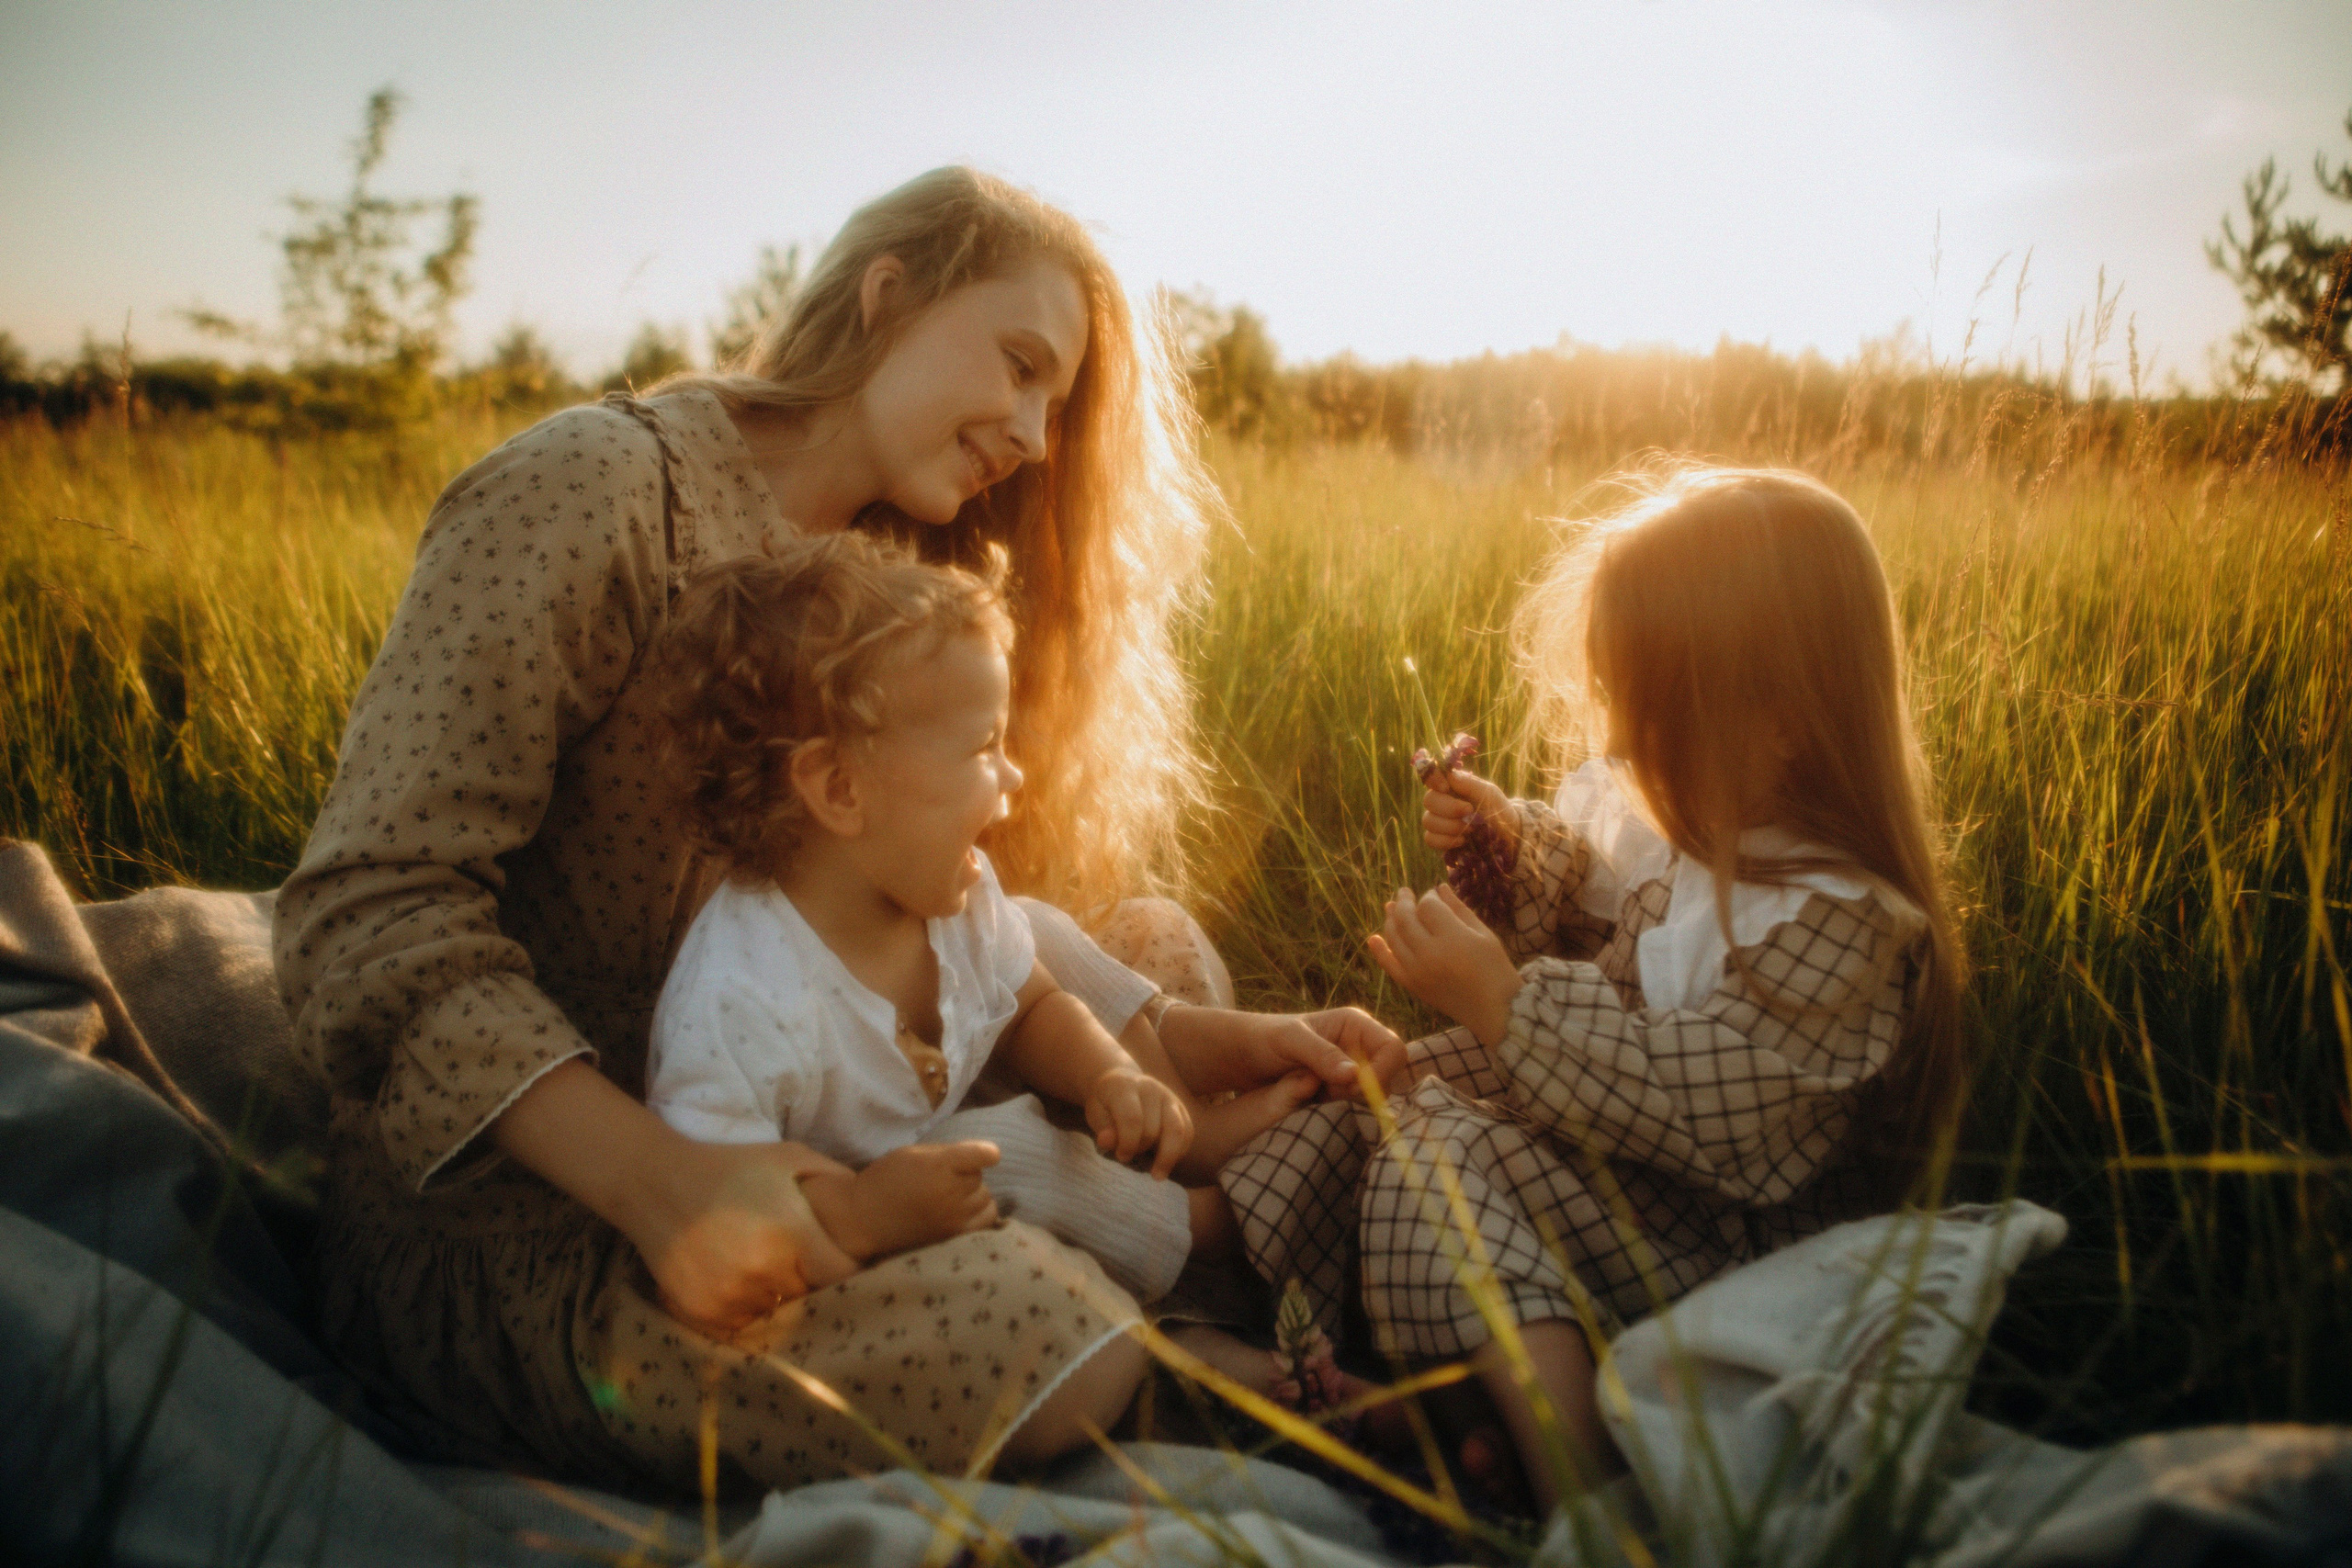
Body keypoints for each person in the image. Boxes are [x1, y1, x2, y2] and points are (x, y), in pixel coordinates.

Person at [275, 165, 1402, 1498]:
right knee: (1016, 1317)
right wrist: (660, 1184)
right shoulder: (594, 495)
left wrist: (1180, 1046)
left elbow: (955, 949)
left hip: (836, 1128)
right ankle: (1196, 1342)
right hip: (568, 1219)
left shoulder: (883, 576)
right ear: (889, 296)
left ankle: (1200, 1273)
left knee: (1146, 942)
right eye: (1021, 362)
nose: (1039, 437)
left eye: (1060, 402)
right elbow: (365, 911)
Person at [1218, 465, 1966, 1512]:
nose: (1611, 742)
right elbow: (1585, 919)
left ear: (1781, 724)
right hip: (1606, 1176)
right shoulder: (1679, 828)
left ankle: (1583, 1484)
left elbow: (1709, 1119)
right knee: (1385, 1087)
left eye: (1646, 711)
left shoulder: (1838, 924)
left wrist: (1506, 1006)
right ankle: (1229, 1281)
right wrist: (1505, 845)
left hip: (1714, 1247)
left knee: (1442, 1151)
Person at [643, 536, 1278, 1307]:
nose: (1013, 773)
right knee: (1004, 1154)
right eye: (984, 746)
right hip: (867, 1257)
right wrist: (864, 1212)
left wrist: (1105, 1072)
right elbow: (714, 1201)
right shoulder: (738, 1003)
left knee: (1038, 928)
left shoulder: (949, 892)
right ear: (841, 788)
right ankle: (1209, 1238)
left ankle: (1180, 1112)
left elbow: (1033, 1005)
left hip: (955, 1127)